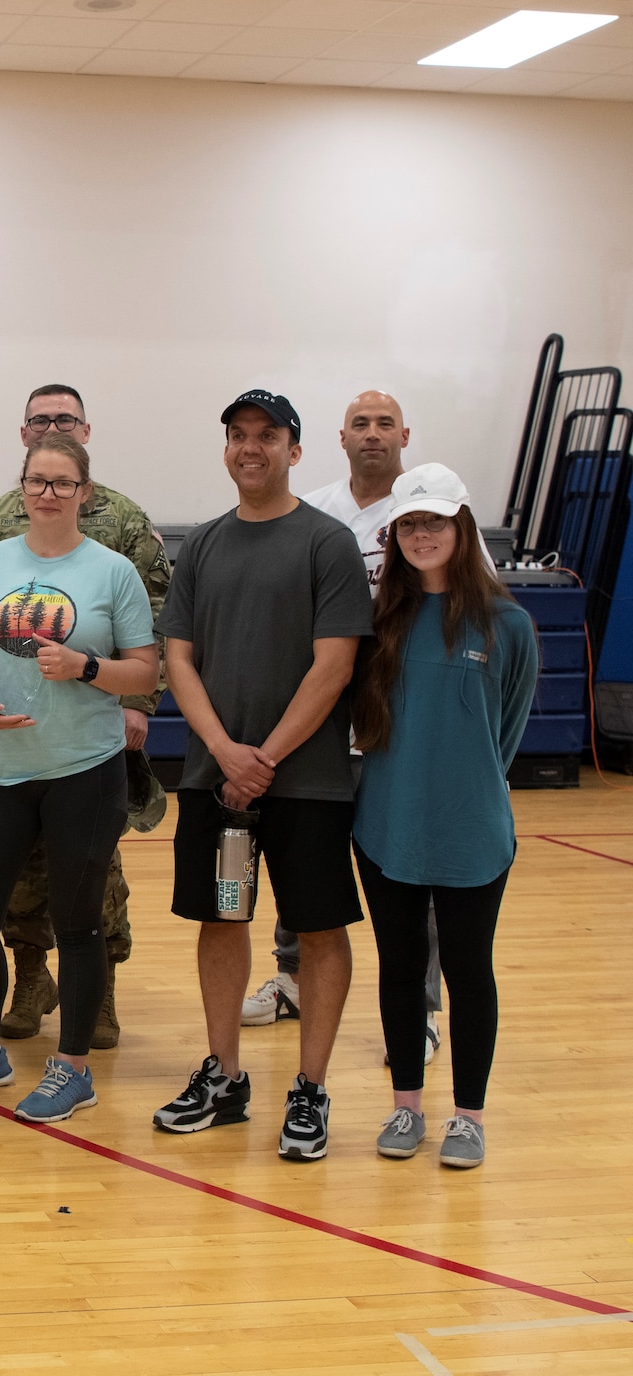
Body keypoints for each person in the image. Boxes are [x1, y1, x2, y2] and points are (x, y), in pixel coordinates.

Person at [0, 434, 157, 1121]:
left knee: (77, 922)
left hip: (84, 769)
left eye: (62, 482)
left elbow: (145, 669)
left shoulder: (112, 572)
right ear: (22, 488)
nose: (48, 492)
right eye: (37, 481)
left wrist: (85, 666)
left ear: (85, 491)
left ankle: (72, 1068)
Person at [151, 391, 372, 1162]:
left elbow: (335, 665)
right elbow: (178, 658)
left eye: (267, 436)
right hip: (220, 784)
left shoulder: (327, 543)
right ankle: (225, 1077)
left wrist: (266, 757)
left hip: (306, 784)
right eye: (239, 436)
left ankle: (310, 1087)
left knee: (318, 928)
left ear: (295, 450)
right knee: (223, 919)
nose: (251, 447)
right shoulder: (205, 545)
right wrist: (226, 753)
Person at [0, 384, 171, 1049]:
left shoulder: (124, 528)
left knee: (93, 889)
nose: (48, 492)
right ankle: (29, 980)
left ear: (85, 447)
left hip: (89, 745)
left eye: (64, 421)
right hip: (5, 757)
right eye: (41, 423)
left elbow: (149, 635)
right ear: (23, 446)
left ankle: (96, 1002)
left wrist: (131, 703)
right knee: (11, 888)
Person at [351, 465, 535, 1169]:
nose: (423, 534)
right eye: (410, 524)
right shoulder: (379, 622)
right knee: (400, 967)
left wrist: (465, 784)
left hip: (473, 829)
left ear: (462, 528)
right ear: (395, 536)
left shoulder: (507, 623)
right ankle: (406, 1107)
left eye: (436, 521)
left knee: (467, 969)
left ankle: (468, 1117)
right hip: (385, 825)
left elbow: (507, 729)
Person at [252, 392, 444, 1053]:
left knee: (408, 861)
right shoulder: (318, 512)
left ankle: (416, 1011)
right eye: (360, 424)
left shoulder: (424, 516)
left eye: (384, 423)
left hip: (397, 710)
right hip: (323, 706)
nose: (372, 434)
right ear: (340, 438)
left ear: (405, 434)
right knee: (300, 846)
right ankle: (290, 980)